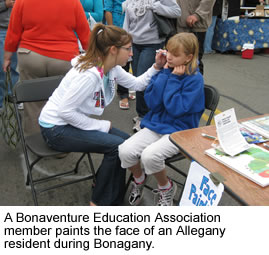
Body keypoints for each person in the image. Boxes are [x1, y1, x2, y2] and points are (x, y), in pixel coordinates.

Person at [38, 24, 166, 206]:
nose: (131, 54)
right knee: (117, 147)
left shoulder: (109, 67)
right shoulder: (89, 75)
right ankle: (100, 202)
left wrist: (156, 66)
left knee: (127, 144)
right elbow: (64, 112)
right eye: (128, 49)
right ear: (113, 50)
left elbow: (137, 84)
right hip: (55, 129)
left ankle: (102, 184)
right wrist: (100, 125)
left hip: (68, 122)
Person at [119, 32, 205, 206]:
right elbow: (152, 102)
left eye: (175, 54)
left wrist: (172, 79)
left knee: (150, 156)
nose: (169, 57)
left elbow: (176, 109)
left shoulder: (194, 79)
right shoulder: (166, 71)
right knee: (125, 150)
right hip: (158, 124)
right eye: (168, 51)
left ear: (188, 57)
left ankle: (166, 187)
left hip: (181, 130)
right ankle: (139, 178)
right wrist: (164, 73)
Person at [2, 0, 90, 135]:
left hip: (31, 56)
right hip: (64, 58)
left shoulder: (22, 1)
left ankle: (34, 140)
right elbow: (85, 32)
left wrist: (7, 57)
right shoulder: (73, 2)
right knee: (63, 102)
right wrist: (92, 56)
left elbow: (13, 32)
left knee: (32, 103)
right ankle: (62, 142)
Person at [123, 0, 181, 131]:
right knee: (137, 78)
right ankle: (142, 114)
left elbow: (177, 11)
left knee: (145, 79)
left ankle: (146, 116)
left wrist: (156, 6)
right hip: (135, 43)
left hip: (152, 43)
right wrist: (125, 42)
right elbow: (127, 22)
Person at [104, 0, 133, 110]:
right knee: (122, 63)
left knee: (129, 61)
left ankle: (125, 90)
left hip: (131, 29)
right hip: (118, 29)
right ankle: (123, 94)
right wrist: (113, 32)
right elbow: (108, 11)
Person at [176, 0, 216, 75]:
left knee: (194, 60)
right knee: (178, 59)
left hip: (195, 24)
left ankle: (197, 85)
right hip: (177, 23)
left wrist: (197, 15)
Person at [0, 0, 19, 111]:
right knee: (1, 67)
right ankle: (1, 100)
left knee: (14, 67)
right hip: (2, 30)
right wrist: (5, 4)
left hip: (17, 29)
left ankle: (13, 96)